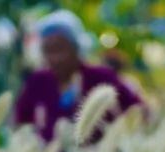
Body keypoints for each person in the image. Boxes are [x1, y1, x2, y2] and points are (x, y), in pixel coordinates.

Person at [14, 11, 144, 144]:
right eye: (48, 50)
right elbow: (20, 123)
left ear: (77, 48)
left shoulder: (101, 77)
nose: (55, 58)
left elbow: (138, 112)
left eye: (60, 49)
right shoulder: (38, 82)